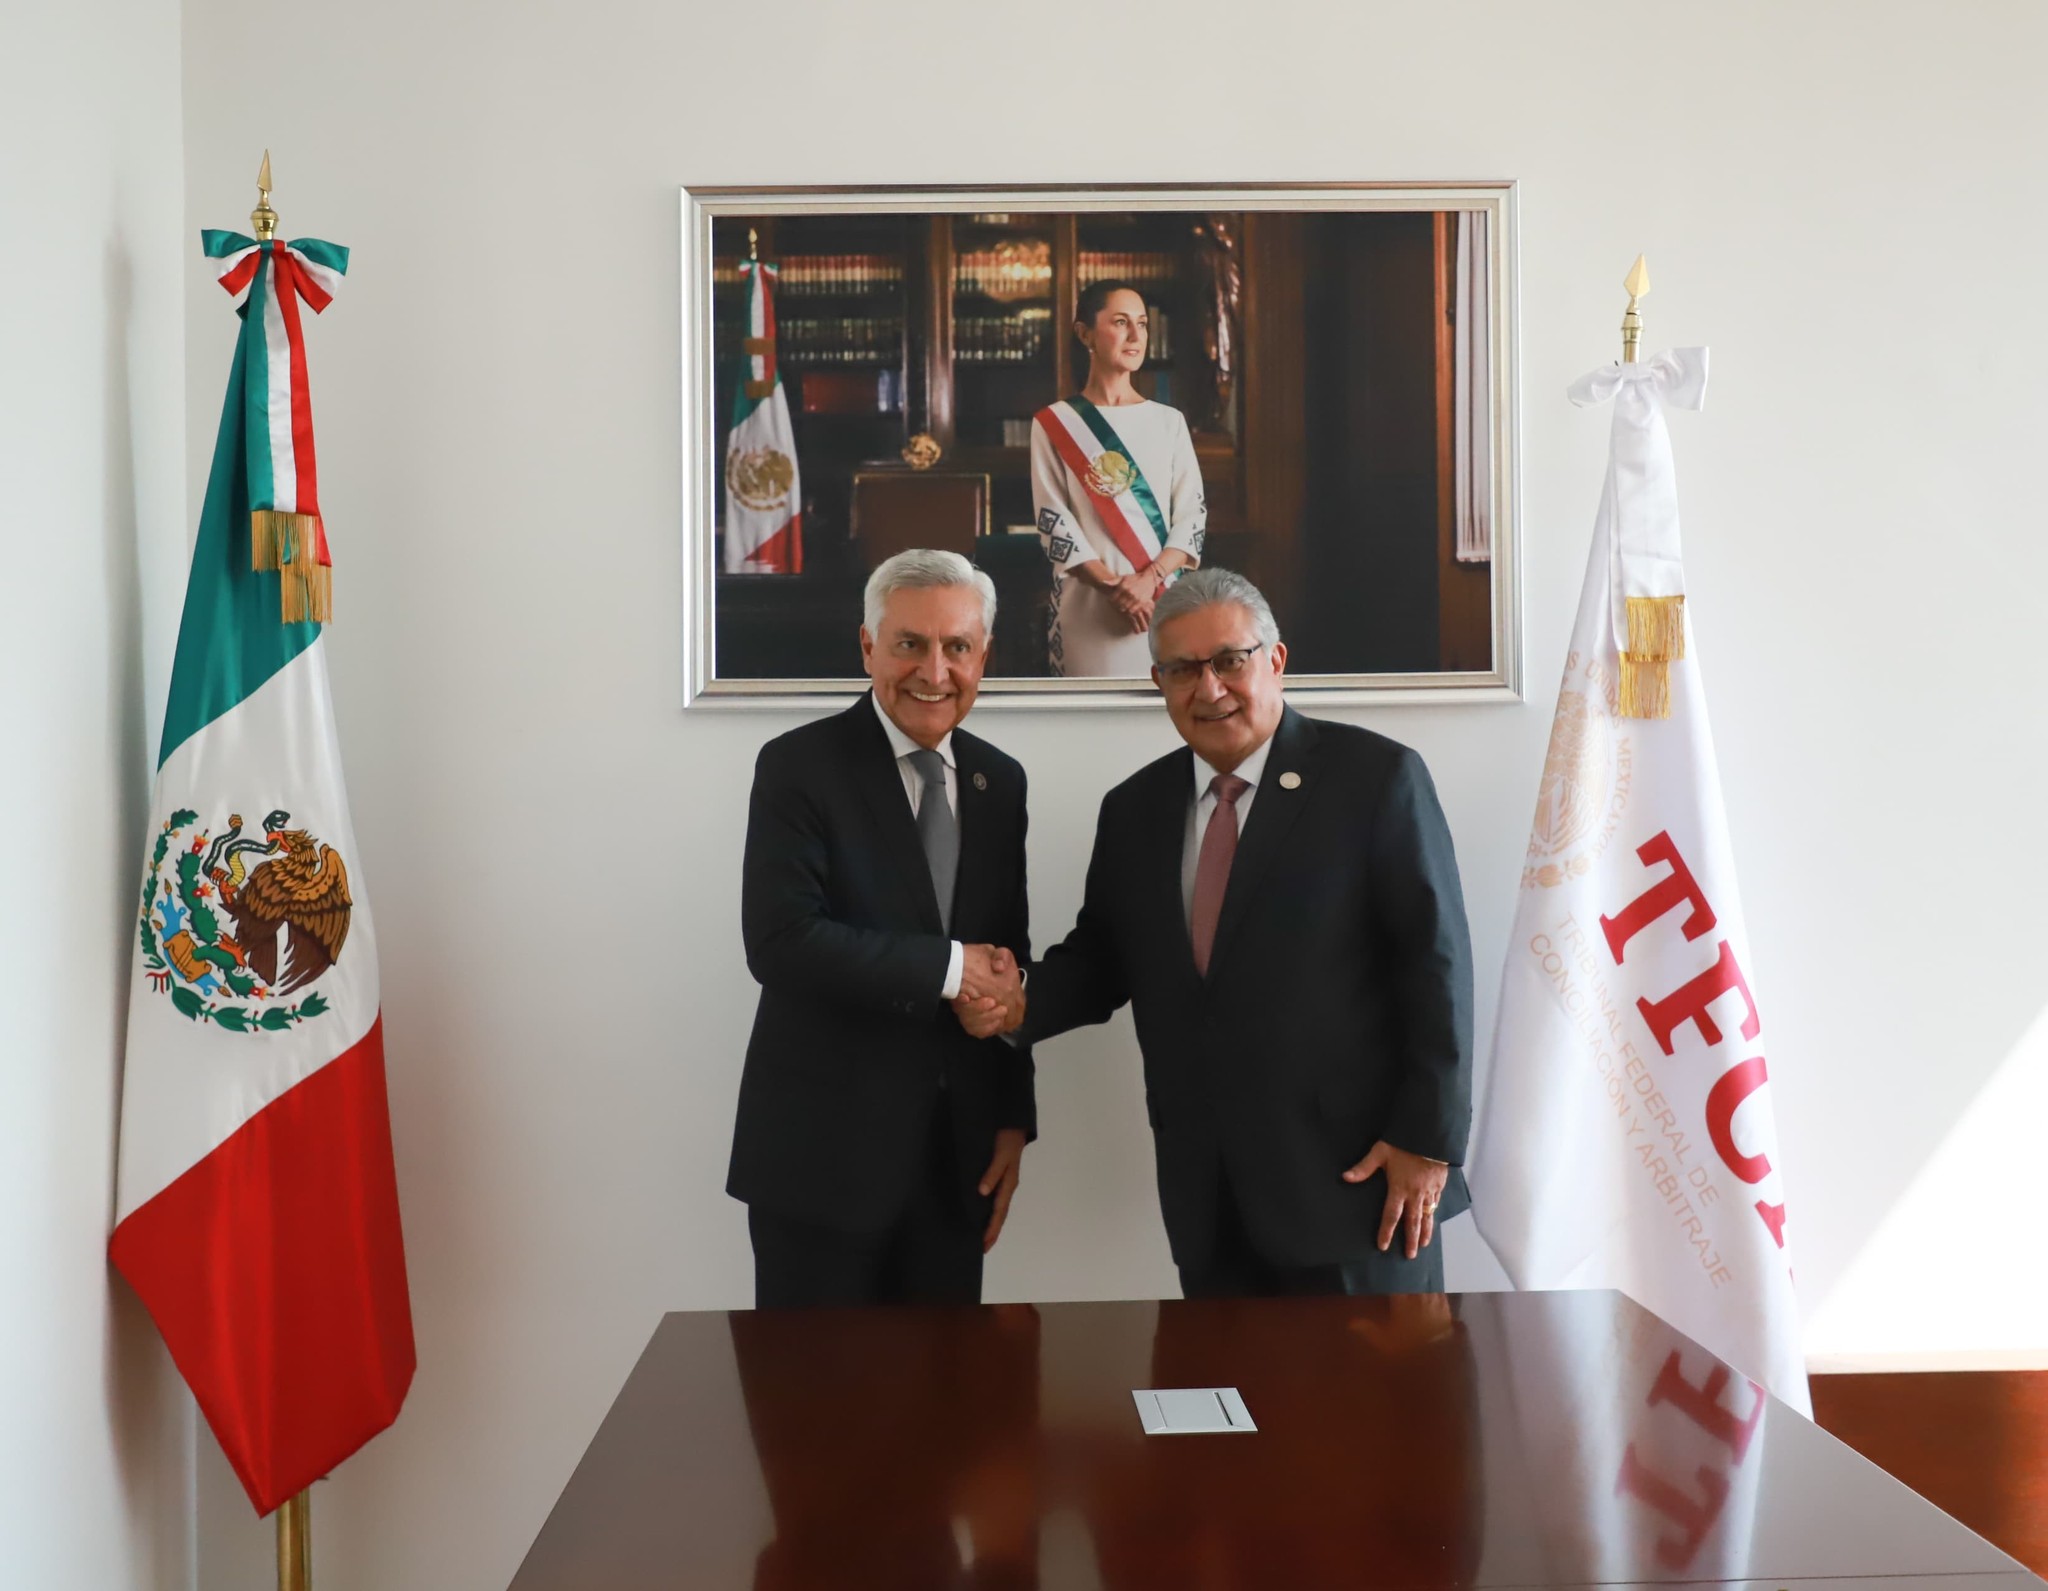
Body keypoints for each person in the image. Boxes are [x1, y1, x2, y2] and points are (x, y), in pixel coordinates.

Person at [961, 568, 1473, 1296]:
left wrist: (1428, 1140)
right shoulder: (1134, 809)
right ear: (1159, 682)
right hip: (1208, 1196)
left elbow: (1437, 966)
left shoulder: (1375, 779)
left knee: (1377, 1378)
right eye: (1182, 669)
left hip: (1361, 1188)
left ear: (1276, 660)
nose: (1209, 688)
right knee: (1215, 1375)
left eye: (1230, 660)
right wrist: (1015, 1001)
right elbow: (1103, 961)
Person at [728, 548, 1032, 1308]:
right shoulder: (798, 766)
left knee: (948, 1382)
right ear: (868, 647)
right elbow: (781, 940)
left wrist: (1011, 1116)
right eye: (910, 644)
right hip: (821, 1161)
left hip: (956, 1162)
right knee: (811, 1383)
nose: (935, 670)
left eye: (957, 646)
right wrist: (951, 970)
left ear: (984, 656)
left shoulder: (1000, 781)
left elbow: (1005, 961)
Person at [1031, 279, 1207, 678]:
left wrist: (1148, 581)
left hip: (1162, 602)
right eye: (1121, 322)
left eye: (1142, 324)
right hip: (1088, 605)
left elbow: (1192, 517)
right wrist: (1114, 587)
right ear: (1085, 334)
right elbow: (1054, 520)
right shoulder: (1055, 423)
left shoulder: (1169, 422)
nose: (1135, 335)